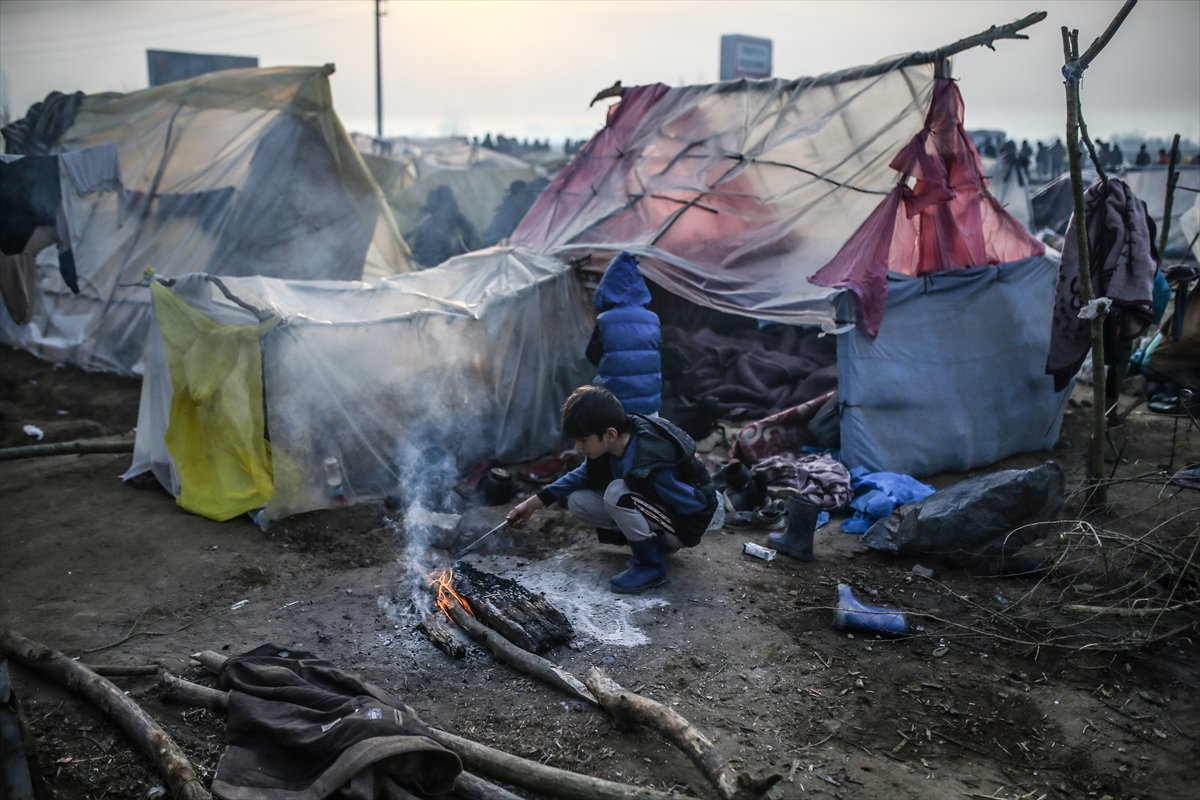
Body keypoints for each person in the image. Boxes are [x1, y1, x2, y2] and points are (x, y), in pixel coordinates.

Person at [506, 385, 722, 594]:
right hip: (659, 513)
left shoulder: (650, 461)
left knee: (617, 493)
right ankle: (653, 543)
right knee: (579, 501)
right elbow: (581, 475)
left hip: (684, 524)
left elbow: (695, 504)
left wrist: (652, 508)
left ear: (609, 434)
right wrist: (533, 503)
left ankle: (650, 565)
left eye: (583, 440)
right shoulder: (613, 445)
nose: (577, 447)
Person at [586, 251, 662, 415]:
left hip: (615, 407)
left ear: (607, 286)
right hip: (650, 406)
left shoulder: (605, 320)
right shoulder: (653, 319)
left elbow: (592, 355)